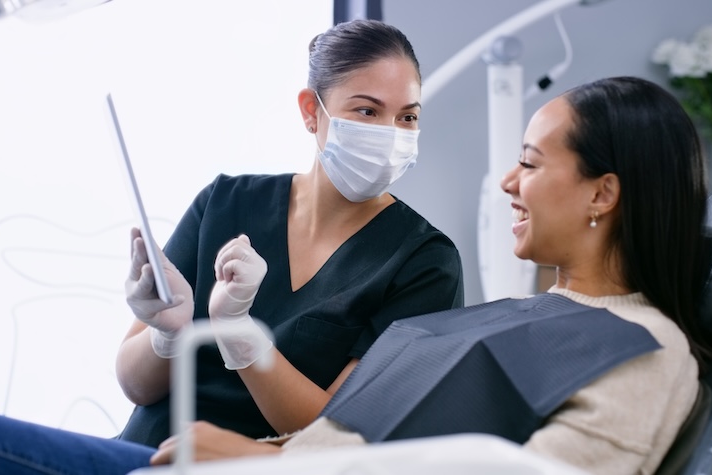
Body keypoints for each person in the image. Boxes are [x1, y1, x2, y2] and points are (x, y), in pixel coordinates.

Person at [0, 76, 712, 475]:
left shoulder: (645, 352)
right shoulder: (529, 316)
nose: (506, 183)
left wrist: (264, 462)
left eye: (528, 161)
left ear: (603, 193)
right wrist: (180, 338)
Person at [114, 18, 463, 447]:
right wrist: (168, 334)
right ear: (311, 112)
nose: (391, 136)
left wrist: (241, 337)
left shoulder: (424, 262)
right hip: (133, 456)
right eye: (367, 111)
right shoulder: (224, 203)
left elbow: (339, 439)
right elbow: (136, 386)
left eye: (407, 117)